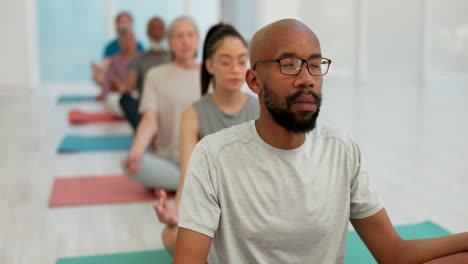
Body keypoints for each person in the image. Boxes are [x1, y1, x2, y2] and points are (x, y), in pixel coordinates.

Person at [173, 19, 468, 263]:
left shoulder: (341, 149)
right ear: (254, 81)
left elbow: (394, 253)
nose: (307, 79)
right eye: (288, 64)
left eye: (315, 65)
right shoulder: (214, 156)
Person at [153, 23, 260, 255]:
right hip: (214, 210)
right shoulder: (192, 115)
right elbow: (188, 178)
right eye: (226, 61)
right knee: (171, 236)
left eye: (242, 61)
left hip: (255, 210)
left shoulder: (261, 109)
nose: (235, 69)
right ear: (209, 65)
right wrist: (178, 213)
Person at [123, 16, 200, 192]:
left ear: (197, 40)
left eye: (190, 35)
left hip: (202, 159)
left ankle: (176, 183)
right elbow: (150, 120)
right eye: (179, 36)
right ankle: (183, 182)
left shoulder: (210, 75)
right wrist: (136, 150)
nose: (185, 41)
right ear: (170, 42)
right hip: (168, 159)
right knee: (129, 162)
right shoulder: (155, 75)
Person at [120, 17, 170, 130]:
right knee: (125, 99)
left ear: (165, 32)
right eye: (153, 29)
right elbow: (128, 87)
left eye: (160, 28)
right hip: (147, 109)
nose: (157, 33)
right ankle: (148, 134)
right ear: (147, 32)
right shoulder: (137, 60)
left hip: (171, 105)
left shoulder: (174, 59)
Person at [91, 12, 144, 87]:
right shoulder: (111, 46)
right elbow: (106, 67)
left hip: (133, 76)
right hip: (116, 78)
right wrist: (99, 70)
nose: (124, 25)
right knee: (98, 76)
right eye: (122, 22)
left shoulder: (139, 45)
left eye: (127, 22)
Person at [98, 30, 140, 115]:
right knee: (112, 100)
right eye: (126, 40)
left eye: (131, 40)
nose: (129, 43)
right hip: (120, 96)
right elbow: (108, 82)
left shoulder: (142, 58)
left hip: (138, 94)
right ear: (121, 43)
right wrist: (117, 86)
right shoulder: (115, 60)